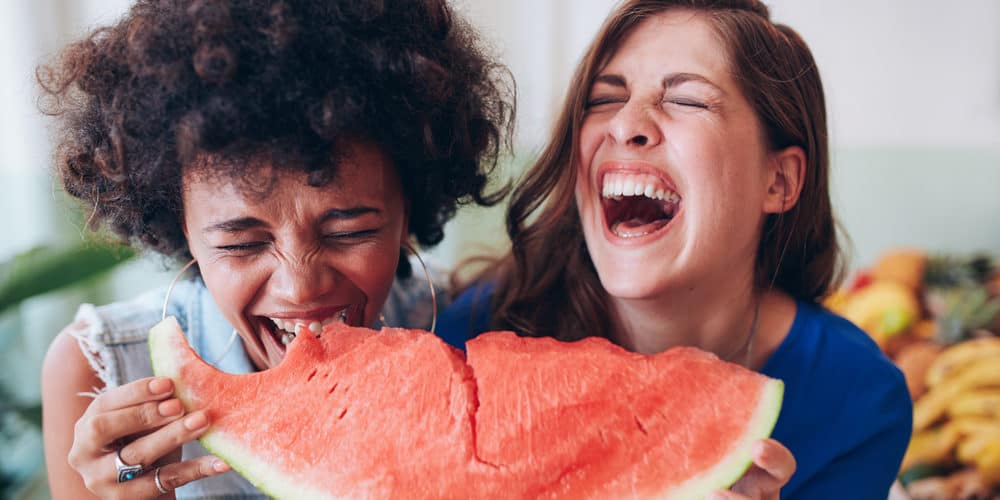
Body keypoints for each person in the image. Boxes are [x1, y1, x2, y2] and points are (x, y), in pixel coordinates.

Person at [437, 1, 912, 499]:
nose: (625, 124)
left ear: (779, 181)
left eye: (687, 101)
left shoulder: (860, 399)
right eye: (603, 99)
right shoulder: (479, 336)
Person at [38, 0, 512, 498]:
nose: (300, 285)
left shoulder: (469, 332)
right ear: (182, 227)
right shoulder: (101, 367)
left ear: (407, 209)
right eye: (241, 243)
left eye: (348, 233)